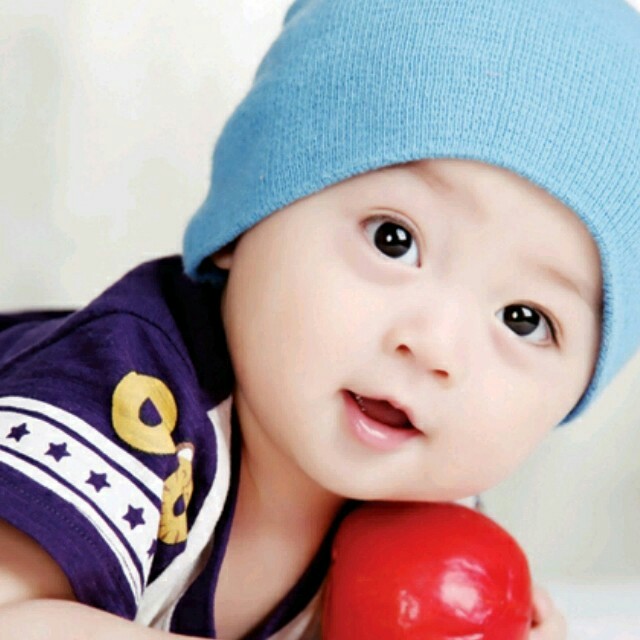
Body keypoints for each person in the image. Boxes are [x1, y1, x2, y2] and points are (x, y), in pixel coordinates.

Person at [0, 0, 638, 638]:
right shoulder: (126, 395)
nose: (435, 346)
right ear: (244, 221)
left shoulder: (422, 500)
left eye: (525, 319)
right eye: (392, 239)